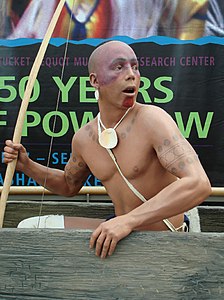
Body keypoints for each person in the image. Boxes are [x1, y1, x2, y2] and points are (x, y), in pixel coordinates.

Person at [3, 40, 211, 258]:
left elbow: (198, 184)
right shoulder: (84, 138)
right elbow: (68, 185)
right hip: (119, 236)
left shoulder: (152, 119)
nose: (131, 74)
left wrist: (127, 221)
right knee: (30, 226)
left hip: (163, 238)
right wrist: (26, 165)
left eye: (135, 67)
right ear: (95, 80)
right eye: (119, 67)